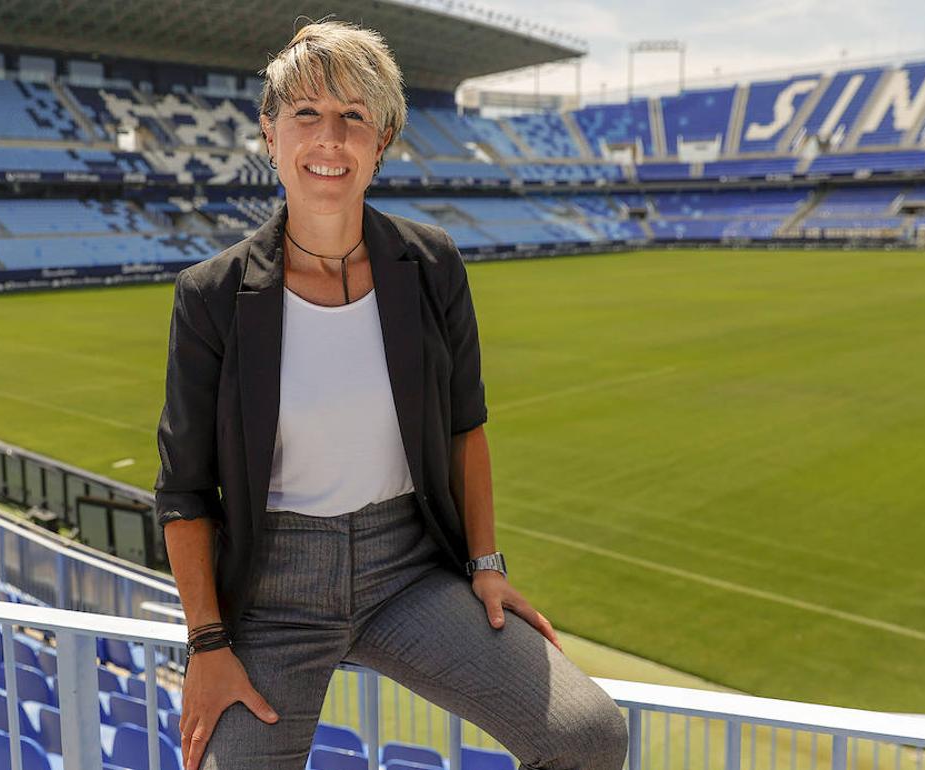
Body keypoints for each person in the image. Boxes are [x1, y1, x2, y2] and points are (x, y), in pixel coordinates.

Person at [153, 18, 630, 770]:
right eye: (307, 114)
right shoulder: (211, 296)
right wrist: (208, 642)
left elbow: (464, 427)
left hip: (406, 569)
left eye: (354, 118)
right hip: (273, 588)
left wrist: (487, 565)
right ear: (270, 135)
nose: (330, 140)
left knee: (590, 735)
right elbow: (183, 492)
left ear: (382, 143)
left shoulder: (431, 264)